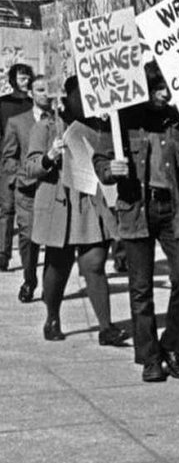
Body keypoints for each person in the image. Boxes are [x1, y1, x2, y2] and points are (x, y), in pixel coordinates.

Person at [93, 63, 179, 384]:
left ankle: (173, 347)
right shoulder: (122, 121)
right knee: (141, 289)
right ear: (144, 89)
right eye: (157, 88)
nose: (165, 94)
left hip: (174, 209)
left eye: (169, 87)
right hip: (137, 209)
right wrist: (112, 169)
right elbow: (100, 159)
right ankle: (150, 357)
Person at [25, 77, 127, 346]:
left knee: (94, 263)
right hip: (61, 203)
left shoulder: (98, 127)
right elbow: (30, 167)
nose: (84, 101)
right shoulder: (46, 126)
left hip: (89, 200)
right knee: (58, 265)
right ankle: (53, 317)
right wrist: (50, 155)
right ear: (66, 97)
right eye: (79, 95)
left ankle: (106, 327)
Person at [1, 72, 49, 302]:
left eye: (48, 89)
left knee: (55, 241)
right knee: (28, 238)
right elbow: (9, 156)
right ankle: (30, 280)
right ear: (31, 93)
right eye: (40, 90)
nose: (45, 94)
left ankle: (51, 284)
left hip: (53, 190)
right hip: (27, 190)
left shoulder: (60, 121)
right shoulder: (17, 122)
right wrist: (15, 179)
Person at [0, 62, 33, 271]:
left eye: (28, 77)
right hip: (6, 162)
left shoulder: (34, 104)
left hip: (29, 161)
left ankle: (29, 253)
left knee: (27, 211)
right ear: (13, 80)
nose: (26, 81)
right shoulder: (2, 104)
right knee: (6, 208)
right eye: (22, 77)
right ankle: (2, 253)